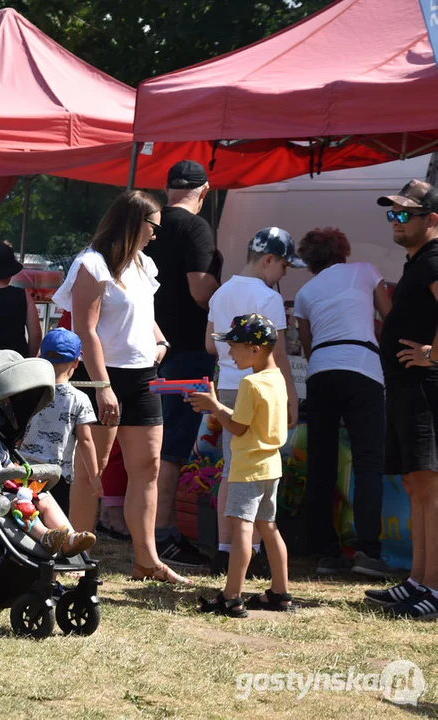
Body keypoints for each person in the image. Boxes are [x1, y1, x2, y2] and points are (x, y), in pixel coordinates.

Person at [54, 190, 191, 585]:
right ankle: (76, 557)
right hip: (102, 377)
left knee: (146, 468)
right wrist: (102, 386)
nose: (156, 236)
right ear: (135, 223)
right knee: (91, 474)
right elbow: (86, 330)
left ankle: (146, 561)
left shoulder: (143, 264)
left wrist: (161, 340)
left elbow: (143, 313)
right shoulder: (92, 264)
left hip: (143, 377)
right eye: (154, 227)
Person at [293, 227, 393, 578]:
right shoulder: (365, 271)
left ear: (309, 261)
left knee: (321, 464)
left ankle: (327, 553)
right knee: (368, 462)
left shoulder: (305, 293)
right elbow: (389, 317)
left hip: (321, 371)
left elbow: (307, 346)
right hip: (363, 368)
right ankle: (369, 551)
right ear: (343, 251)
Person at [206, 227, 303, 576]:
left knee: (231, 470)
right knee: (259, 466)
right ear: (269, 260)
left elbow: (208, 345)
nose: (284, 275)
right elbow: (278, 354)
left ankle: (224, 549)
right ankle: (254, 551)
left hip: (227, 385)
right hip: (261, 387)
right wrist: (291, 397)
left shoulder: (221, 292)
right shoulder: (269, 298)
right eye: (284, 267)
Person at [188, 313, 294, 617]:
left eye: (235, 347)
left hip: (247, 467)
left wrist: (214, 405)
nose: (230, 353)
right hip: (271, 466)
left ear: (256, 349)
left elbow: (238, 427)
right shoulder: (277, 379)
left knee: (242, 531)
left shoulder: (251, 383)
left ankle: (232, 596)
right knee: (269, 528)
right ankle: (280, 592)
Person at [142, 160, 220, 569]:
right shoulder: (196, 228)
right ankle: (163, 533)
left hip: (149, 346)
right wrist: (231, 291)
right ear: (203, 192)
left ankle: (147, 529)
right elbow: (201, 292)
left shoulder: (148, 224)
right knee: (171, 446)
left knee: (150, 441)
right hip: (187, 350)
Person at [366, 180, 438, 620]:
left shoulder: (433, 260)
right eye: (392, 214)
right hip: (404, 386)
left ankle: (434, 587)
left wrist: (433, 353)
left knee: (430, 488)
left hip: (426, 388)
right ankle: (418, 579)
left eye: (405, 214)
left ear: (431, 219)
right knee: (415, 486)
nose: (396, 221)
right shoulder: (418, 263)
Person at [0, 405, 96, 557]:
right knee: (22, 504)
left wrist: (24, 475)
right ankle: (44, 535)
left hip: (10, 484)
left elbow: (10, 467)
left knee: (45, 498)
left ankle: (70, 538)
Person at [20, 328, 101, 522]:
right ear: (76, 362)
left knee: (25, 517)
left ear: (41, 357)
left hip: (23, 469)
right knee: (55, 521)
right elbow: (86, 440)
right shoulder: (80, 399)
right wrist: (94, 475)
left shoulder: (27, 392)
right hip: (57, 476)